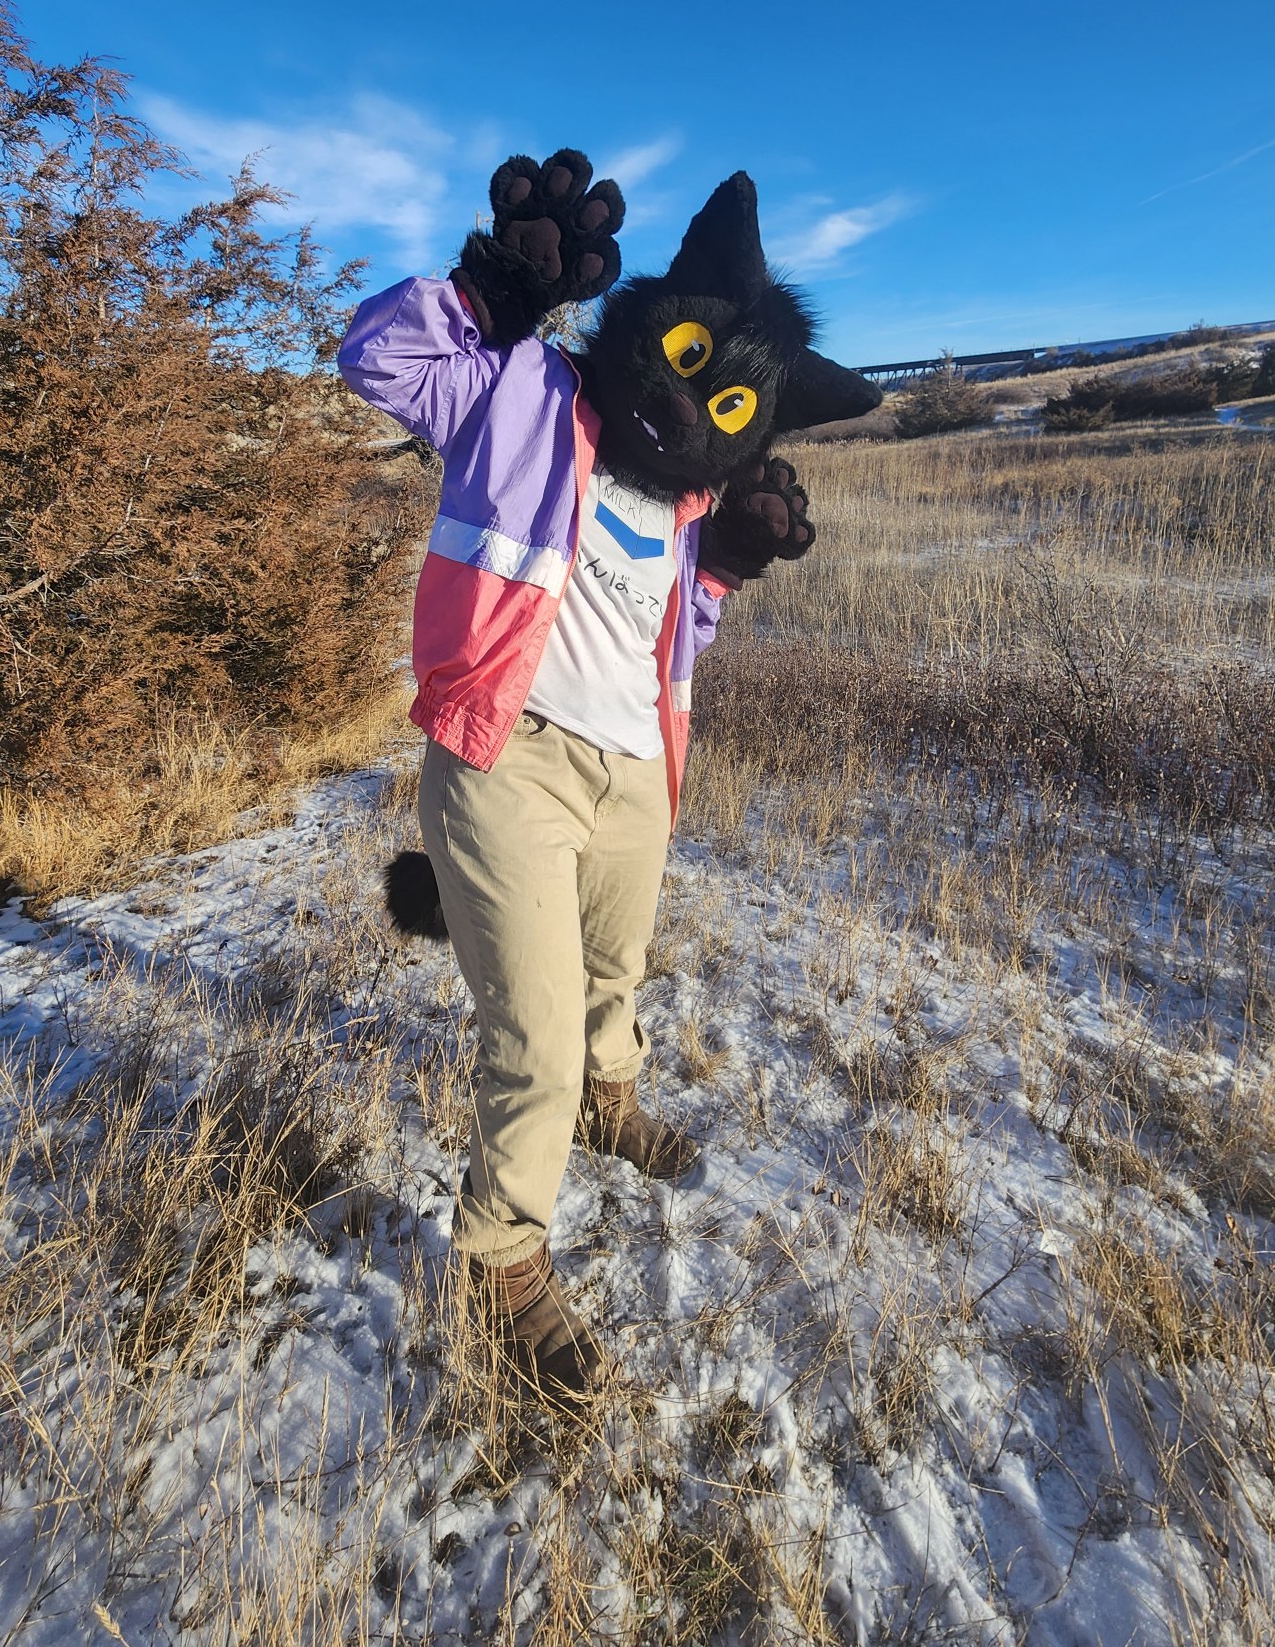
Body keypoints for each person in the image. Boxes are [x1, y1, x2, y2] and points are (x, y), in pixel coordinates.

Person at [337, 151, 878, 1409]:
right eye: (689, 362)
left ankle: (611, 1099)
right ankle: (500, 1258)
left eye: (730, 404)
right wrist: (486, 297)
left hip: (637, 763)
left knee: (612, 968)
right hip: (508, 752)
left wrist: (724, 566)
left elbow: (673, 627)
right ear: (650, 321)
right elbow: (378, 360)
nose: (692, 410)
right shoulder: (528, 394)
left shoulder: (685, 500)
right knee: (532, 1036)